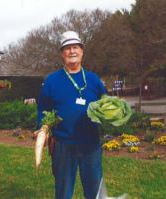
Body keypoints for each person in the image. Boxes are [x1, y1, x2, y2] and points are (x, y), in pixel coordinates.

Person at [34, 31, 107, 199]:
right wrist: (42, 128)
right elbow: (42, 109)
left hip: (91, 145)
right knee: (63, 192)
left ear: (82, 51)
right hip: (62, 145)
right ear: (62, 53)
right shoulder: (52, 80)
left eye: (75, 47)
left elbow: (107, 105)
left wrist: (112, 118)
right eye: (67, 48)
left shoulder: (94, 79)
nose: (72, 51)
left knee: (95, 191)